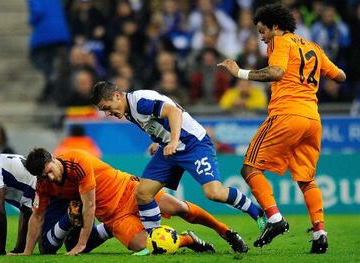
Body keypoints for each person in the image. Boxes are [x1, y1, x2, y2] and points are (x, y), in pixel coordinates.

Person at [217, 3, 346, 254]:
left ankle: (275, 218)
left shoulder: (279, 41)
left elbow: (276, 72)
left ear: (276, 27)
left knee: (249, 168)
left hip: (287, 113)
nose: (262, 37)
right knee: (306, 179)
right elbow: (340, 76)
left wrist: (239, 73)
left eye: (263, 31)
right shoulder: (314, 47)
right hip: (312, 119)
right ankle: (320, 234)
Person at [90, 81, 266, 235]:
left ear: (116, 96)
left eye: (107, 108)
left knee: (214, 193)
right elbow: (158, 122)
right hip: (169, 148)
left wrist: (173, 141)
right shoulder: (127, 109)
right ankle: (155, 238)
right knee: (143, 194)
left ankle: (256, 212)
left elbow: (174, 112)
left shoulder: (140, 101)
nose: (107, 113)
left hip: (192, 143)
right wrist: (160, 142)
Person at [19, 148, 249, 256]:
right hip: (114, 217)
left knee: (178, 207)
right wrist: (27, 251)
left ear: (52, 158)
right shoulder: (44, 184)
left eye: (49, 171)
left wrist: (81, 245)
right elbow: (37, 215)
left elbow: (89, 205)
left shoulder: (77, 160)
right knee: (147, 247)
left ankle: (226, 232)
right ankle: (188, 240)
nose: (49, 178)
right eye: (43, 176)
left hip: (129, 190)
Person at [0, 140, 110, 256]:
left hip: (51, 195)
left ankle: (69, 217)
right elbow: (26, 211)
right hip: (57, 195)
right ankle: (110, 227)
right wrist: (21, 249)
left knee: (45, 247)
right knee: (73, 245)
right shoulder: (2, 160)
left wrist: (2, 249)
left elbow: (0, 211)